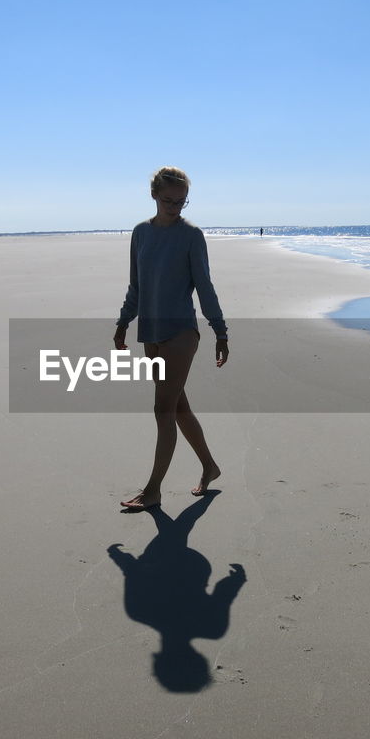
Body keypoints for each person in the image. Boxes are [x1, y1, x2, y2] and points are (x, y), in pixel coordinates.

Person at [115, 167, 229, 511]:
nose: (175, 207)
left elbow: (205, 286)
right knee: (178, 406)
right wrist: (123, 323)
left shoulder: (191, 236)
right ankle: (210, 466)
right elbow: (136, 286)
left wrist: (220, 331)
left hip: (181, 332)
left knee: (162, 409)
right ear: (154, 195)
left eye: (181, 202)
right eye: (168, 200)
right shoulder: (141, 234)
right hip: (150, 332)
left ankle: (152, 490)